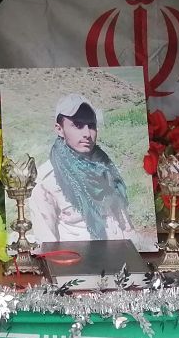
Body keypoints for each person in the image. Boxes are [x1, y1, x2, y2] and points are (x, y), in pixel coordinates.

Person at [30, 93, 138, 244]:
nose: (87, 134)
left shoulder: (106, 168)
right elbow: (46, 243)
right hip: (78, 258)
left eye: (91, 126)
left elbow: (124, 223)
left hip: (120, 254)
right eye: (78, 125)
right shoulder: (47, 180)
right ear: (59, 129)